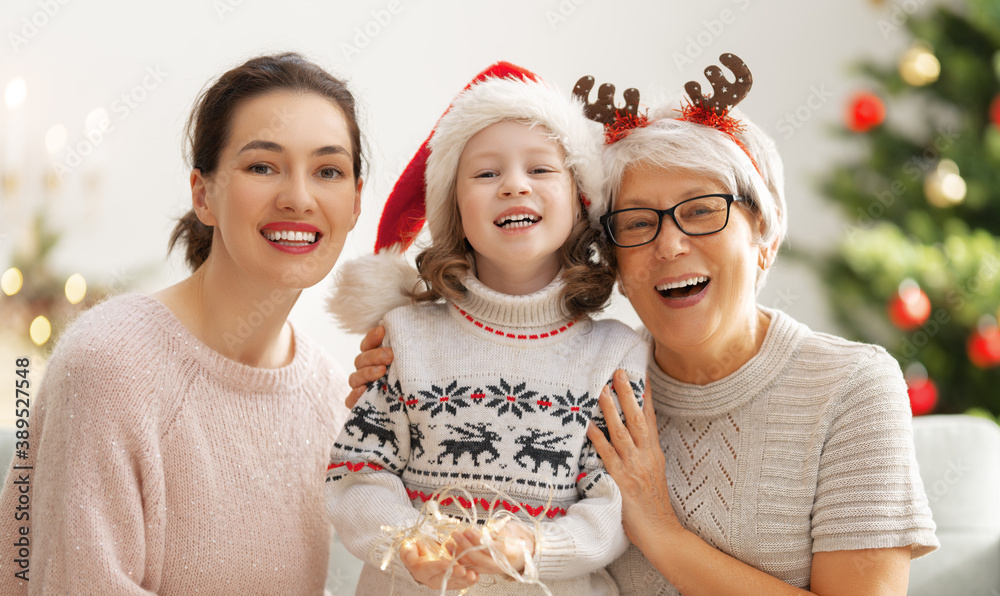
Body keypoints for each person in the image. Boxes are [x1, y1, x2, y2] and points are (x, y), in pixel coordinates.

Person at [348, 54, 939, 595]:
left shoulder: (851, 387)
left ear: (765, 233)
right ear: (612, 256)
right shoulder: (600, 372)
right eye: (637, 223)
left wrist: (658, 528)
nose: (670, 245)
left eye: (704, 211)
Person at [0, 52, 363, 594]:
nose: (299, 197)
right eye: (262, 166)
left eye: (328, 171)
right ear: (204, 195)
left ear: (356, 202)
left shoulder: (335, 398)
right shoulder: (110, 365)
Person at [324, 63, 647, 594]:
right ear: (455, 208)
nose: (514, 184)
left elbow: (617, 505)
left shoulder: (615, 353)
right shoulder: (404, 338)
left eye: (541, 170)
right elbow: (358, 473)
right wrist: (405, 540)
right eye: (486, 173)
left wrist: (537, 547)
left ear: (580, 200)